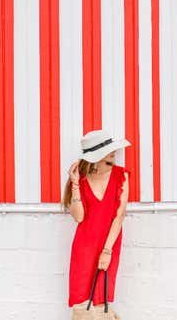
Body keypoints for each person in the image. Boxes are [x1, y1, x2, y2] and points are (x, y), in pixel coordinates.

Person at [62, 129, 131, 310]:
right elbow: (79, 217)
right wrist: (75, 183)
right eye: (109, 150)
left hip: (109, 244)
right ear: (98, 155)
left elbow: (119, 216)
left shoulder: (120, 175)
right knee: (81, 303)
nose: (114, 152)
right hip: (84, 246)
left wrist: (107, 251)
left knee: (101, 301)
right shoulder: (81, 180)